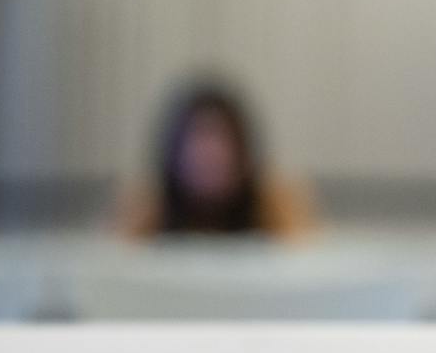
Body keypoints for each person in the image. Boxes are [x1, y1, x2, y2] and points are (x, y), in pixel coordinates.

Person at [117, 78, 315, 239]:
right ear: (174, 156)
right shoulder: (148, 209)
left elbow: (307, 269)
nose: (210, 155)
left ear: (244, 154)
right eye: (199, 141)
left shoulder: (274, 206)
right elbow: (116, 268)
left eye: (221, 142)